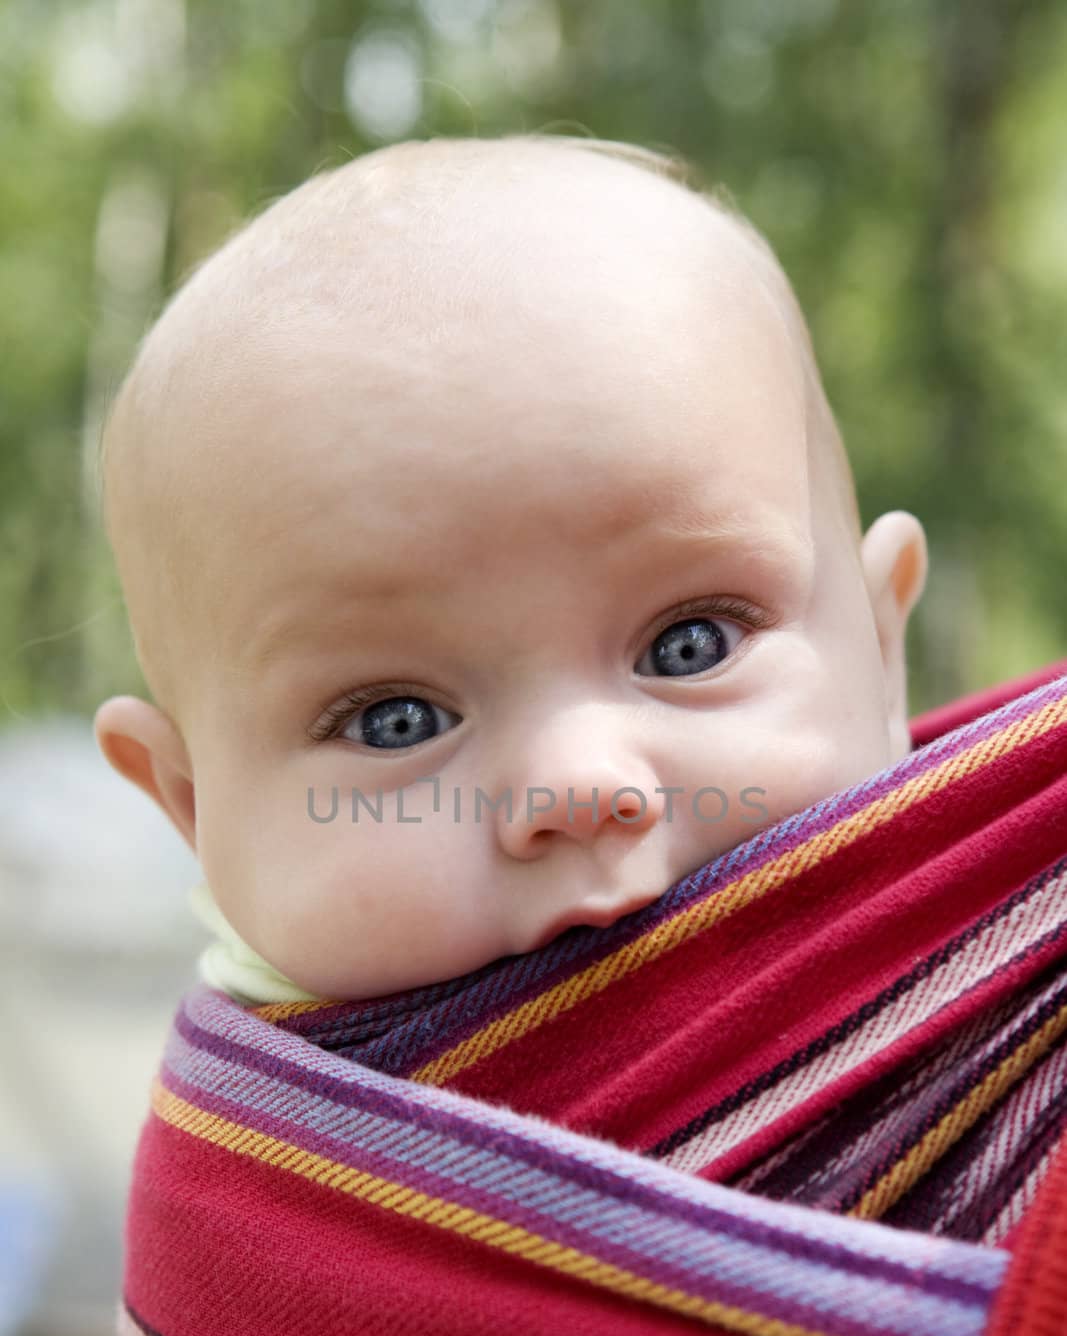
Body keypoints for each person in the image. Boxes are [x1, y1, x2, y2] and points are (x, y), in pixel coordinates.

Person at [93, 132, 928, 1005]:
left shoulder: (1018, 984)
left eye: (691, 644)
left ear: (878, 650)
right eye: (396, 721)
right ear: (193, 805)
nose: (579, 784)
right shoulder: (255, 1135)